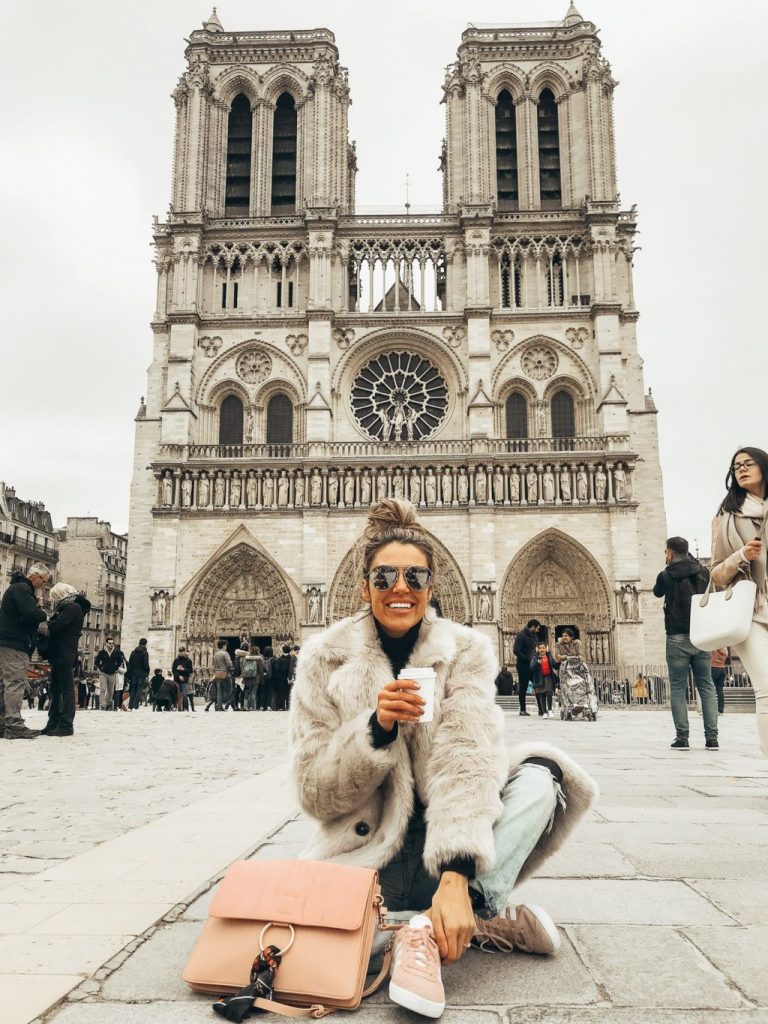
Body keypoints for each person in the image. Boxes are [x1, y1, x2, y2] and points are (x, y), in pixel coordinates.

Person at [289, 499, 597, 1019]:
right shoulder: (323, 658)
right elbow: (316, 795)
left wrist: (456, 873)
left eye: (415, 576)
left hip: (453, 851)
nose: (400, 587)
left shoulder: (466, 651)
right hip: (371, 856)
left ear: (433, 587)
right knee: (321, 946)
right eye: (384, 576)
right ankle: (466, 927)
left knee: (544, 775)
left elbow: (469, 759)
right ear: (363, 587)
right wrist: (374, 730)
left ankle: (436, 922)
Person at [710, 447, 768, 756]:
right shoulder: (726, 516)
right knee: (767, 690)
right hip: (752, 610)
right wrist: (742, 555)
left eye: (748, 463)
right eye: (736, 466)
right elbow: (717, 574)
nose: (741, 469)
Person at [653, 536, 719, 750]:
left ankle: (682, 737)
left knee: (678, 687)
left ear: (670, 553)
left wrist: (668, 569)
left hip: (677, 636)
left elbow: (656, 592)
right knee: (707, 686)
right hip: (701, 635)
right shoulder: (703, 572)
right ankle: (712, 738)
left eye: (666, 553)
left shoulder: (666, 575)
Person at [0, 562, 51, 739]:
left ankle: (3, 723)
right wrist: (43, 613)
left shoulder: (16, 588)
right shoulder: (22, 589)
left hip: (6, 641)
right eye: (43, 581)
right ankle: (14, 724)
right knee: (15, 682)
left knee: (4, 683)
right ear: (35, 577)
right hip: (15, 643)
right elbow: (31, 614)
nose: (42, 585)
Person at [39, 583, 91, 737]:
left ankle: (66, 724)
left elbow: (56, 626)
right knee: (56, 689)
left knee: (66, 689)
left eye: (54, 597)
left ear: (60, 595)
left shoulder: (73, 608)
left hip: (65, 652)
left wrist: (47, 622)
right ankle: (53, 721)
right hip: (60, 652)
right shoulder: (67, 607)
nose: (53, 601)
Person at [513, 619, 540, 716]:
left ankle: (541, 709)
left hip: (533, 665)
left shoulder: (534, 636)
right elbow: (516, 650)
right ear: (532, 626)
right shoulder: (521, 635)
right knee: (523, 687)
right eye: (537, 628)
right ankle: (522, 709)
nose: (538, 630)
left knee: (537, 685)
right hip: (523, 666)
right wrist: (527, 659)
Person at [94, 638, 126, 711]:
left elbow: (120, 661)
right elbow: (96, 662)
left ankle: (108, 703)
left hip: (112, 674)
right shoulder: (102, 652)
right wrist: (101, 667)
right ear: (106, 643)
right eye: (110, 643)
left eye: (112, 643)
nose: (111, 644)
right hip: (103, 673)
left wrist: (116, 667)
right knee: (103, 689)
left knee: (111, 691)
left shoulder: (117, 652)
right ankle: (102, 705)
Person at [530, 642, 558, 718]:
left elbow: (555, 665)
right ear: (537, 649)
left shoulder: (549, 656)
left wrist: (559, 661)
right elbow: (531, 668)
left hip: (549, 677)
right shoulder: (535, 657)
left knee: (549, 693)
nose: (542, 649)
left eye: (543, 648)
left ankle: (549, 709)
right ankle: (544, 712)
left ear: (546, 648)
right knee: (541, 695)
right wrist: (537, 663)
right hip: (539, 678)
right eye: (540, 648)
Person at [127, 638, 150, 710]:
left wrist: (130, 673)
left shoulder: (133, 652)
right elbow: (146, 664)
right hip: (142, 673)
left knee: (134, 688)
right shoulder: (145, 653)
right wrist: (147, 671)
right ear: (145, 644)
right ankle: (135, 705)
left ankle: (130, 705)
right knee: (139, 689)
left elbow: (130, 663)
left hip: (134, 672)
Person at [211, 640, 233, 711]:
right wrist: (231, 667)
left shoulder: (215, 654)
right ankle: (229, 705)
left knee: (219, 691)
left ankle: (219, 706)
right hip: (225, 674)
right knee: (230, 691)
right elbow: (229, 663)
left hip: (217, 674)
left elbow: (213, 664)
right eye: (226, 646)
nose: (226, 647)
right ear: (224, 646)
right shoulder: (225, 654)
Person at [172, 646, 195, 711]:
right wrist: (179, 676)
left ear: (184, 652)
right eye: (180, 651)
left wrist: (183, 669)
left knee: (185, 694)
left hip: (185, 679)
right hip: (177, 679)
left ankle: (186, 708)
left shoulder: (188, 660)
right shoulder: (176, 660)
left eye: (182, 651)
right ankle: (176, 706)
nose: (181, 653)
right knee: (177, 694)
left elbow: (190, 670)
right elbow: (173, 670)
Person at [272, 644, 293, 711]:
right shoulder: (292, 659)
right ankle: (288, 705)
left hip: (280, 678)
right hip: (289, 678)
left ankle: (282, 706)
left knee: (281, 692)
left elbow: (276, 669)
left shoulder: (278, 659)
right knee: (289, 692)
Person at [710, 647, 728, 715]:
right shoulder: (725, 649)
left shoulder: (715, 647)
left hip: (713, 668)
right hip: (722, 669)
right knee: (720, 690)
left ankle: (711, 708)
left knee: (710, 689)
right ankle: (721, 709)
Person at [258, 645, 275, 711]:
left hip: (262, 677)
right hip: (270, 677)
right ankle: (268, 705)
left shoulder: (261, 659)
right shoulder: (273, 660)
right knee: (269, 691)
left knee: (262, 691)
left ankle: (261, 706)